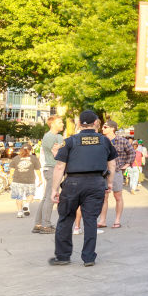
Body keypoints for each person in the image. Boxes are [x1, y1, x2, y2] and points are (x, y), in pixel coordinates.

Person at [50, 110, 117, 267]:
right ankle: (88, 258)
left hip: (73, 183)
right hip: (96, 183)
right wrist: (109, 183)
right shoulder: (105, 141)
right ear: (96, 123)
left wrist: (54, 189)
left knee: (66, 219)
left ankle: (63, 256)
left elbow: (60, 166)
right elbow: (112, 164)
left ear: (79, 124)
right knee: (90, 220)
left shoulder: (70, 141)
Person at [99, 120, 136, 229]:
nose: (102, 128)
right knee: (104, 197)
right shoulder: (100, 140)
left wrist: (127, 164)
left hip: (116, 172)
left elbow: (132, 152)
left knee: (117, 196)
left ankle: (117, 220)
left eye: (105, 127)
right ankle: (102, 220)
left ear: (112, 128)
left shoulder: (122, 140)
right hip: (102, 172)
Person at [9, 146, 41, 218]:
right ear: (30, 150)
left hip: (17, 180)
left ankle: (20, 213)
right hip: (30, 180)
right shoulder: (33, 158)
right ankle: (27, 204)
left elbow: (12, 170)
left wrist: (10, 178)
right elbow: (37, 170)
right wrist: (40, 179)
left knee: (19, 197)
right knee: (30, 194)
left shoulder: (16, 158)